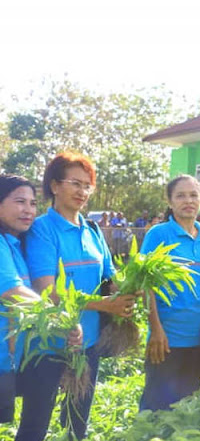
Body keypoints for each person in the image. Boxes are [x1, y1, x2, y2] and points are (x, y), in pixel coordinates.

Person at [17, 153, 135, 441]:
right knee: (35, 426)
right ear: (55, 186)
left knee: (77, 423)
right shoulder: (42, 230)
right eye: (75, 183)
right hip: (50, 345)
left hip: (88, 343)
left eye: (87, 185)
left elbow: (110, 278)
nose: (82, 192)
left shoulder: (92, 230)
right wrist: (105, 305)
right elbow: (47, 290)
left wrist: (130, 288)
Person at [139, 175, 200, 412]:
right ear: (170, 201)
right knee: (156, 408)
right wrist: (156, 329)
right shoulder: (159, 235)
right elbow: (146, 284)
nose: (189, 201)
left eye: (194, 195)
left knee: (186, 406)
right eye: (181, 195)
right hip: (167, 339)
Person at [0, 175, 42, 425]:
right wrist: (62, 317)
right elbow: (11, 292)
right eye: (20, 201)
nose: (28, 210)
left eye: (33, 203)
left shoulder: (13, 244)